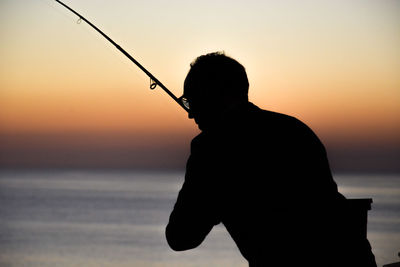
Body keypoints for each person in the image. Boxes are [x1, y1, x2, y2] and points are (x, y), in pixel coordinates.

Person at [165, 52, 376, 267]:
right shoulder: (295, 129)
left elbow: (180, 237)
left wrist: (214, 203)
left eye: (191, 101)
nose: (190, 114)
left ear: (213, 95)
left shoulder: (211, 148)